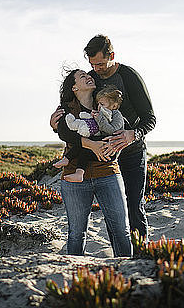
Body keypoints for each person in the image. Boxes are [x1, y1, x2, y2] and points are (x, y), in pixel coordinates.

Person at [50, 35, 155, 241]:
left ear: (112, 56)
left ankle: (141, 254)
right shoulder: (90, 79)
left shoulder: (129, 76)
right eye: (92, 64)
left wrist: (132, 134)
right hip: (102, 156)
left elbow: (149, 118)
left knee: (134, 204)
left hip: (132, 153)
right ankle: (121, 257)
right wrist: (56, 124)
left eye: (100, 63)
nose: (96, 69)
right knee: (114, 212)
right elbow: (73, 114)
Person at [54, 69, 132, 257]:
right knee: (76, 234)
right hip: (74, 177)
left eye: (88, 75)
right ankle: (74, 275)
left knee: (121, 231)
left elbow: (124, 130)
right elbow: (65, 133)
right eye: (82, 76)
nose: (89, 76)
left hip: (107, 173)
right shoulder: (66, 110)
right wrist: (92, 145)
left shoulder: (106, 105)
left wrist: (124, 140)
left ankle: (127, 275)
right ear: (74, 87)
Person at [54, 85, 126, 182]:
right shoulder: (101, 113)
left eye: (102, 104)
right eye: (98, 104)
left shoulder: (117, 115)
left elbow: (112, 131)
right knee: (84, 145)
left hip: (110, 150)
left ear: (114, 106)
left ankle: (69, 161)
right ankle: (75, 169)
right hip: (101, 143)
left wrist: (99, 118)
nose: (99, 107)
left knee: (86, 146)